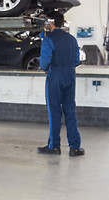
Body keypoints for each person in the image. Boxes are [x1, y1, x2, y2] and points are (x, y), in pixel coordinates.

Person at [37, 11, 84, 157]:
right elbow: (77, 60)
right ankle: (75, 147)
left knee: (55, 111)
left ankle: (54, 146)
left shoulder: (48, 39)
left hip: (55, 75)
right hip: (70, 75)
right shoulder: (72, 39)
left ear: (51, 22)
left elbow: (45, 61)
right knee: (70, 111)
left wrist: (46, 69)